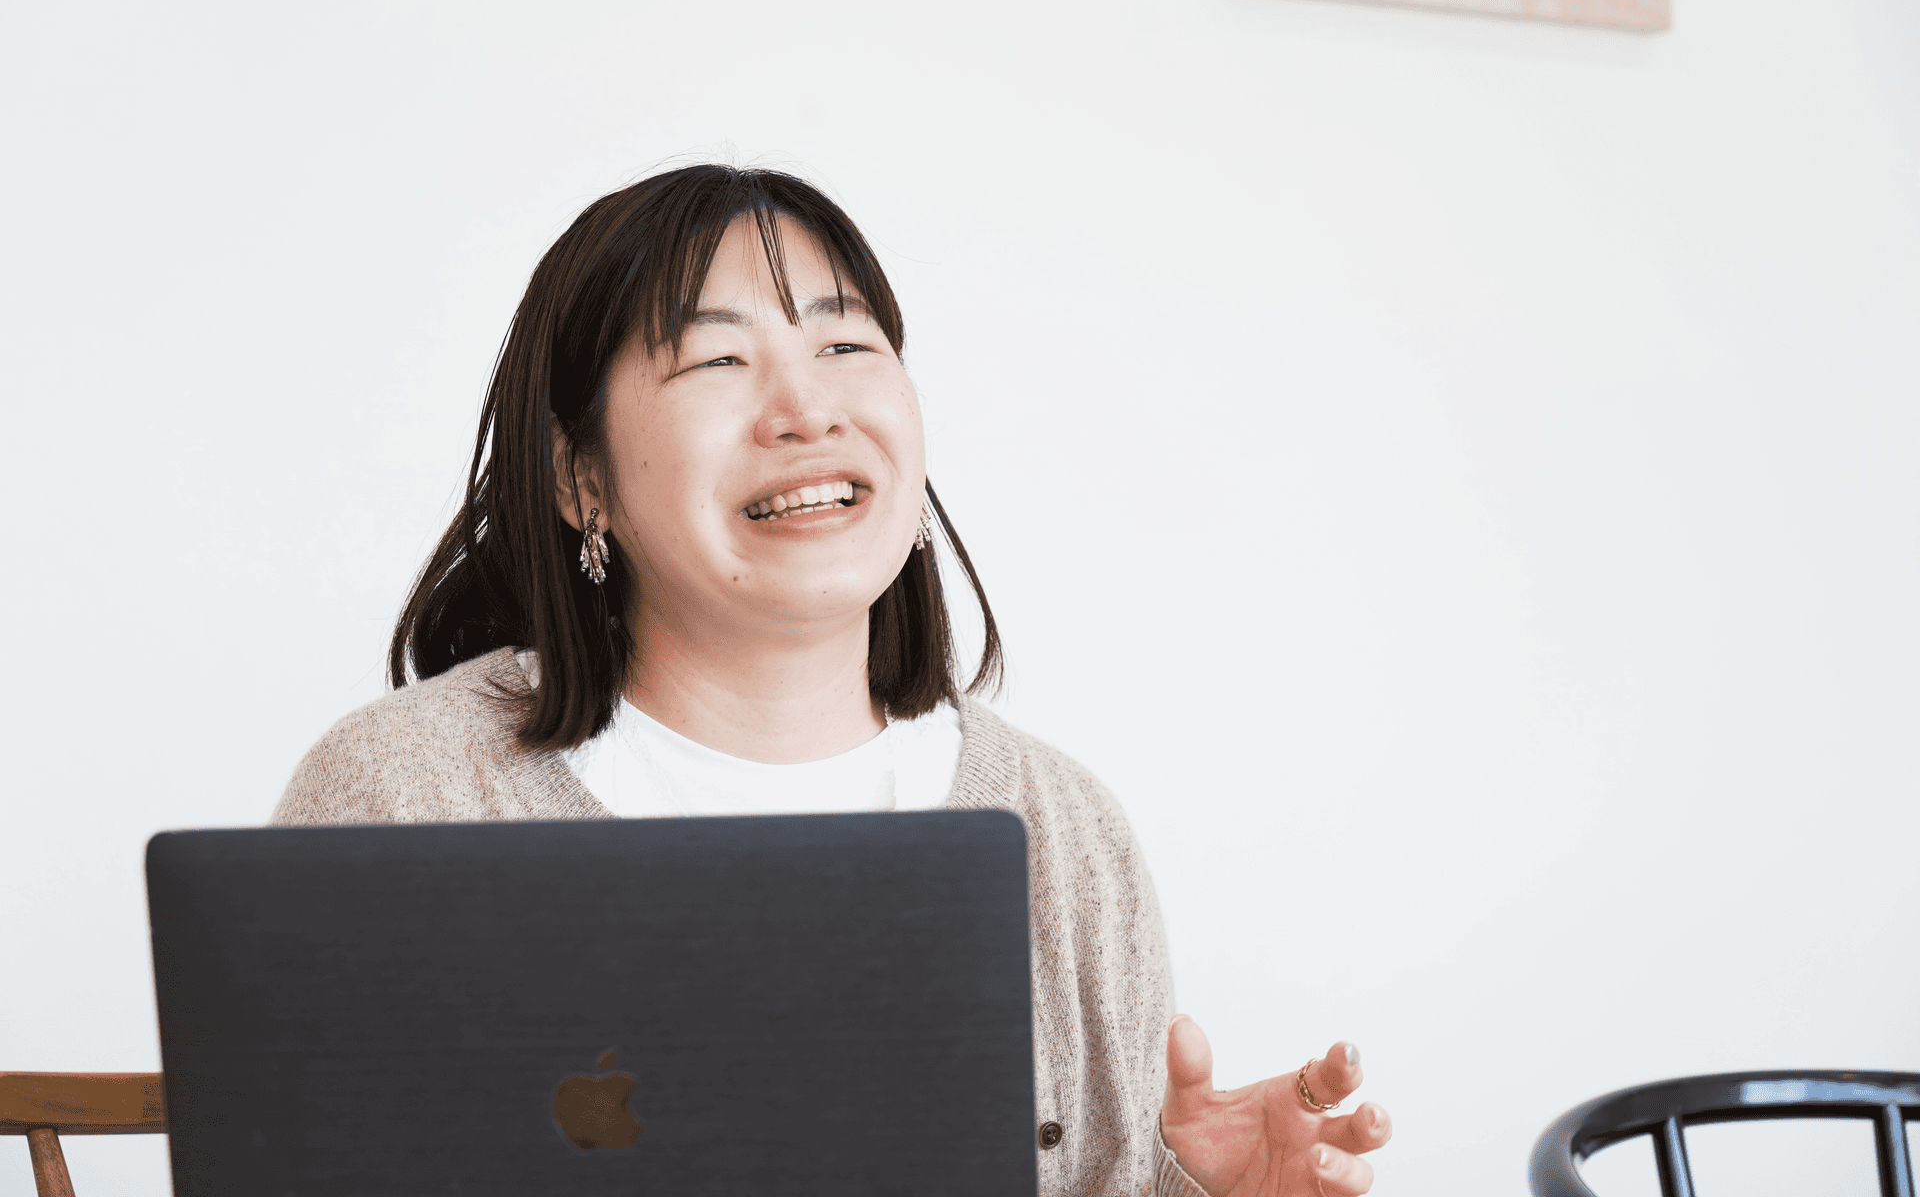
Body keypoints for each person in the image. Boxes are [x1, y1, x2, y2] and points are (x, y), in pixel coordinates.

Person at [273, 165, 1393, 1197]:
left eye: (846, 344)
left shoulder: (1059, 831)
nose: (807, 410)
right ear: (579, 477)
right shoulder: (404, 797)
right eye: (718, 360)